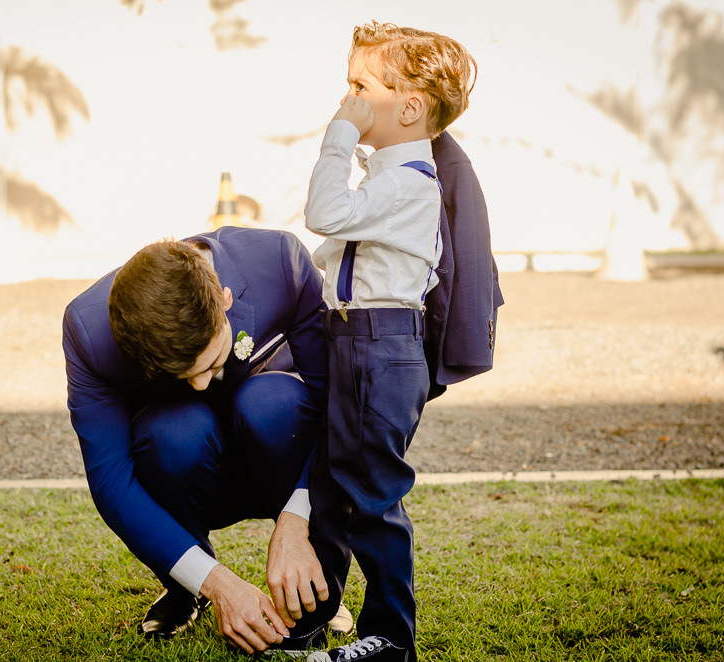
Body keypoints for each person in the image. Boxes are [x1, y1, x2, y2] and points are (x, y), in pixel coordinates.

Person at [62, 227, 352, 656]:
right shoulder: (87, 330)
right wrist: (217, 583)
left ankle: (313, 583)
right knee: (171, 431)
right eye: (182, 375)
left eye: (211, 361)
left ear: (225, 299)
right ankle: (186, 589)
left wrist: (297, 518)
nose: (200, 384)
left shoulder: (279, 260)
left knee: (273, 401)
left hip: (277, 448)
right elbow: (112, 483)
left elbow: (338, 401)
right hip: (187, 466)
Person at [298, 22, 485, 662]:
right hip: (353, 339)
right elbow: (335, 249)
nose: (347, 99)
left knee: (373, 497)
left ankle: (389, 637)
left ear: (409, 108)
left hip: (382, 348)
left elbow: (324, 214)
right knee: (330, 487)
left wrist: (337, 138)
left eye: (360, 86)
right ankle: (312, 619)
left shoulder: (408, 183)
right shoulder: (388, 178)